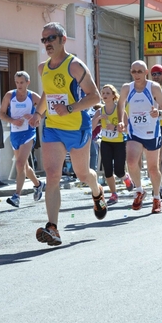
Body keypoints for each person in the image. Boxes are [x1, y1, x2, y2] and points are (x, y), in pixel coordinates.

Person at [29, 22, 107, 246]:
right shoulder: (43, 68)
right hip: (53, 128)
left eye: (51, 38)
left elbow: (95, 98)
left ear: (63, 39)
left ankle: (97, 190)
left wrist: (70, 108)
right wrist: (38, 114)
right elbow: (48, 92)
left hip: (77, 128)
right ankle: (52, 228)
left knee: (83, 175)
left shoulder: (75, 66)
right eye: (44, 39)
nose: (47, 43)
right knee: (52, 175)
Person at [117, 60, 162, 214]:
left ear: (146, 73)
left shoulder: (153, 87)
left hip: (152, 132)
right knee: (131, 162)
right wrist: (121, 121)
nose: (136, 74)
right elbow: (120, 105)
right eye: (134, 71)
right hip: (135, 132)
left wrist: (158, 113)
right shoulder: (127, 88)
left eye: (140, 71)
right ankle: (139, 191)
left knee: (153, 169)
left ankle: (156, 197)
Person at [0, 71, 45, 207]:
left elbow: (45, 108)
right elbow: (1, 113)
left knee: (19, 164)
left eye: (22, 83)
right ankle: (38, 184)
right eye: (17, 82)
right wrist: (12, 120)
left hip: (28, 133)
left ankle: (16, 196)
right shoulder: (9, 95)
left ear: (27, 82)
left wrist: (36, 117)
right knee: (24, 165)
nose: (19, 85)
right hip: (15, 134)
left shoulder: (32, 96)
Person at [92, 84, 133, 206]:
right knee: (108, 171)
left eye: (107, 93)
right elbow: (91, 127)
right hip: (106, 143)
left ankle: (125, 178)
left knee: (119, 171)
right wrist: (98, 118)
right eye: (103, 93)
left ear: (113, 96)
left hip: (119, 143)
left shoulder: (120, 110)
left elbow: (127, 129)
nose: (104, 95)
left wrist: (115, 127)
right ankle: (114, 194)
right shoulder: (100, 111)